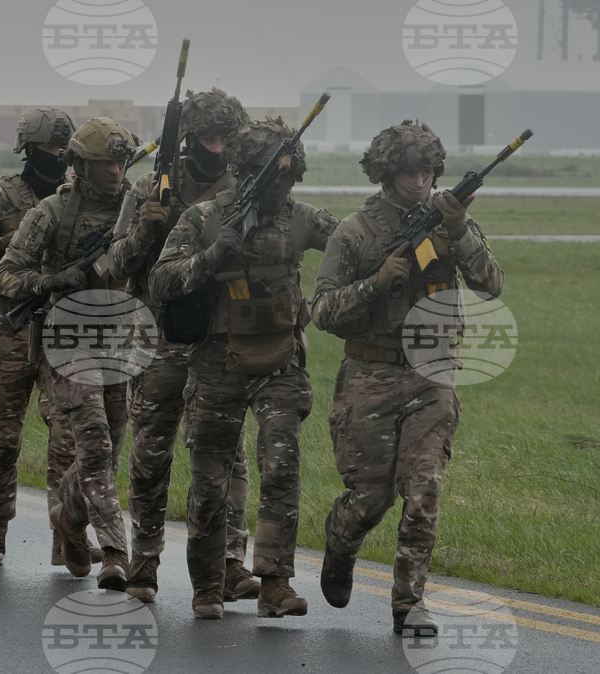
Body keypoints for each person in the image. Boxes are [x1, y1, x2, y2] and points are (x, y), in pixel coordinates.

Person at [311, 120, 504, 635]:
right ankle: (341, 538)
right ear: (387, 174)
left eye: (427, 172)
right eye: (409, 173)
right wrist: (374, 285)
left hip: (432, 371)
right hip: (369, 373)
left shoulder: (449, 222)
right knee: (369, 499)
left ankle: (409, 602)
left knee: (424, 490)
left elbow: (491, 285)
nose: (420, 182)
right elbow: (323, 311)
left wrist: (460, 228)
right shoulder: (354, 231)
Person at [149, 118, 340, 619]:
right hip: (216, 363)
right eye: (265, 176)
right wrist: (209, 258)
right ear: (243, 173)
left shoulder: (303, 219)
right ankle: (207, 584)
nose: (277, 188)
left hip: (279, 362)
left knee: (282, 466)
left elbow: (355, 247)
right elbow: (160, 282)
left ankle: (275, 580)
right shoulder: (205, 218)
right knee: (210, 479)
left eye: (285, 178)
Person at [108, 89, 259, 603]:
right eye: (208, 137)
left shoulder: (245, 190)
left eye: (225, 138)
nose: (216, 147)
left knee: (227, 457)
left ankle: (231, 562)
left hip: (221, 339)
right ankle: (144, 560)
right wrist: (144, 231)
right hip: (158, 335)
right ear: (190, 137)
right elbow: (113, 264)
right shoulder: (151, 187)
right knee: (151, 454)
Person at [0, 107, 101, 566]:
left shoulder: (80, 199)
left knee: (67, 437)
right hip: (11, 328)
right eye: (50, 148)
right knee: (4, 435)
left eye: (64, 149)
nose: (58, 157)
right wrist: (1, 248)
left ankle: (66, 535)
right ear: (29, 150)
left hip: (61, 330)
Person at [0, 117, 138, 589]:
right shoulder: (50, 213)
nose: (116, 170)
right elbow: (5, 277)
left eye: (121, 161)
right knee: (93, 443)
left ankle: (68, 517)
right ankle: (117, 551)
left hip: (122, 340)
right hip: (68, 338)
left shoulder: (139, 209)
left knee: (108, 449)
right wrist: (52, 280)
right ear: (82, 164)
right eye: (105, 163)